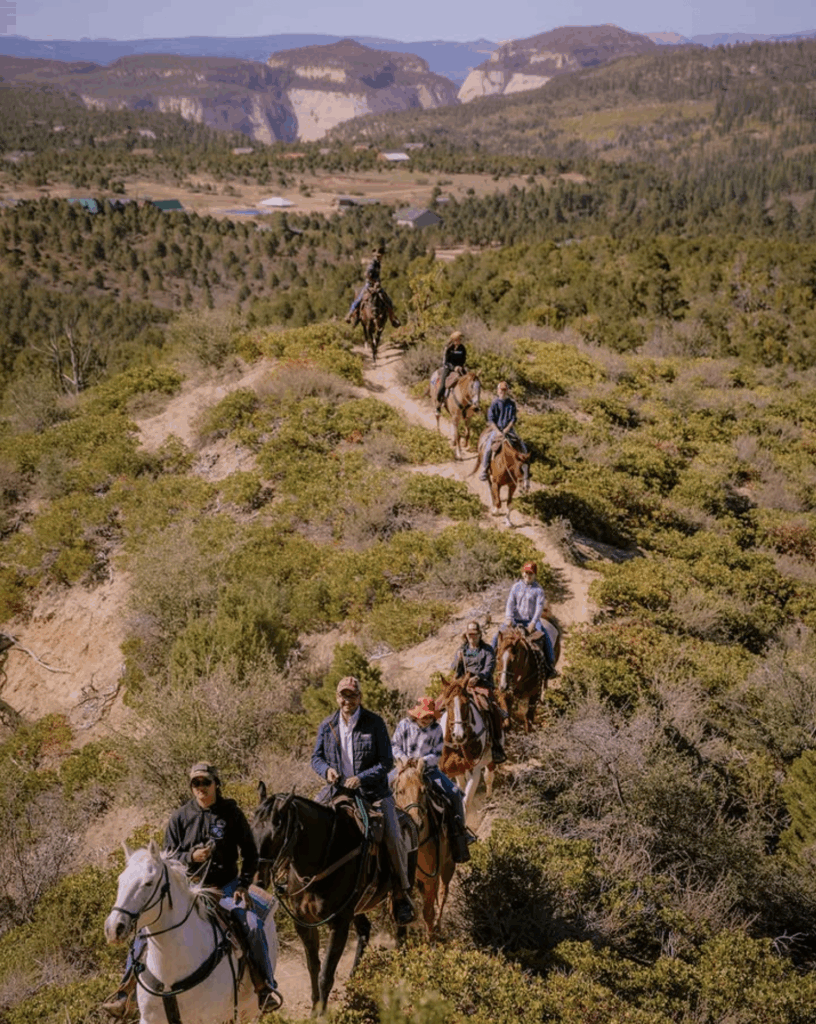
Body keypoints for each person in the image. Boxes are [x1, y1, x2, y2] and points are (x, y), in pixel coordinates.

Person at [102, 763, 277, 1019]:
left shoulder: (231, 814)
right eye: (196, 783)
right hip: (188, 889)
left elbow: (250, 853)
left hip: (225, 887)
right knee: (142, 934)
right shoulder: (180, 818)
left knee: (251, 923)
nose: (201, 788)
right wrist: (192, 857)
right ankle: (124, 993)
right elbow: (167, 860)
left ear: (216, 783)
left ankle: (264, 988)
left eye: (205, 782)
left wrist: (243, 884)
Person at [311, 676, 416, 926]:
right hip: (337, 791)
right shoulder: (328, 725)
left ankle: (401, 894)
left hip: (374, 793)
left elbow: (386, 762)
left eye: (352, 695)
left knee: (392, 834)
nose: (347, 700)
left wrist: (361, 778)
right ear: (337, 697)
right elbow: (316, 758)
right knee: (309, 822)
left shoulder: (374, 723)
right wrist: (327, 771)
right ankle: (305, 885)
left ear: (360, 697)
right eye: (343, 695)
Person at [390, 695, 474, 863]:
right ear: (416, 714)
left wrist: (423, 761)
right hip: (403, 770)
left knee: (455, 794)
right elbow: (394, 745)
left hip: (429, 772)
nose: (427, 719)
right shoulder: (404, 725)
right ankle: (376, 832)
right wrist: (404, 759)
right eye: (424, 716)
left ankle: (460, 834)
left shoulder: (436, 729)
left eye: (430, 716)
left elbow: (437, 753)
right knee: (379, 789)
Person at [451, 620, 507, 765]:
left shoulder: (487, 650)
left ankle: (496, 744)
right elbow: (454, 668)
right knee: (444, 704)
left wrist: (478, 677)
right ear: (466, 635)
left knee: (490, 707)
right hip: (463, 686)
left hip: (482, 685)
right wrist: (458, 660)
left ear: (479, 634)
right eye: (469, 634)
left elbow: (489, 668)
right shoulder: (461, 650)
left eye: (475, 634)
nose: (472, 637)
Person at [499, 562, 557, 680]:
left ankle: (550, 665)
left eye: (531, 573)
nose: (528, 575)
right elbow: (510, 603)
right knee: (497, 636)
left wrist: (533, 622)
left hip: (531, 620)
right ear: (522, 573)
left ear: (534, 575)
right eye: (526, 572)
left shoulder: (538, 590)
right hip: (515, 620)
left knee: (544, 637)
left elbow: (539, 608)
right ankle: (494, 660)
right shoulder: (516, 587)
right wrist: (509, 618)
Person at [478, 380, 528, 481]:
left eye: (504, 390)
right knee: (488, 447)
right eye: (501, 390)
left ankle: (525, 472)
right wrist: (497, 431)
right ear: (497, 391)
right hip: (497, 429)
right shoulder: (494, 403)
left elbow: (513, 418)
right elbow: (491, 420)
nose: (502, 392)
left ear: (507, 391)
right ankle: (484, 469)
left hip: (508, 429)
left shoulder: (511, 404)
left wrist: (507, 429)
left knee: (522, 447)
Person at [345, 247, 400, 327]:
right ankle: (350, 315)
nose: (379, 257)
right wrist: (374, 281)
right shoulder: (372, 264)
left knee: (388, 300)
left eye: (380, 256)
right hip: (370, 285)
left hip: (377, 286)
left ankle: (392, 319)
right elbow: (366, 274)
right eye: (378, 256)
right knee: (359, 298)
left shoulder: (378, 263)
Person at [435, 330, 468, 414]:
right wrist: (454, 368)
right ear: (454, 340)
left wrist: (460, 366)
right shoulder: (448, 348)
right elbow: (445, 362)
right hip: (448, 368)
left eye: (460, 339)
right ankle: (438, 404)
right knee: (442, 386)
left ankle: (469, 403)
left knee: (469, 382)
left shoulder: (462, 348)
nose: (460, 341)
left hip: (459, 368)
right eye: (458, 339)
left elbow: (463, 359)